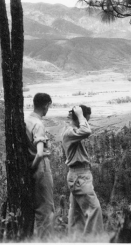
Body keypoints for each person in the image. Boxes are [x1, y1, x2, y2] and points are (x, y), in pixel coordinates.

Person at [61, 104, 104, 235]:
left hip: (78, 176)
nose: (85, 123)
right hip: (79, 176)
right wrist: (80, 115)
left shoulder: (71, 131)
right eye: (85, 120)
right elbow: (87, 131)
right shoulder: (70, 132)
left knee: (76, 217)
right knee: (94, 211)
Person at [25, 92, 54, 234]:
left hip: (33, 168)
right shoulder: (38, 124)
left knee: (37, 208)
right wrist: (32, 167)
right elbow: (40, 152)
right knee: (46, 209)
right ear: (46, 105)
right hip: (41, 167)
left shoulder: (26, 120)